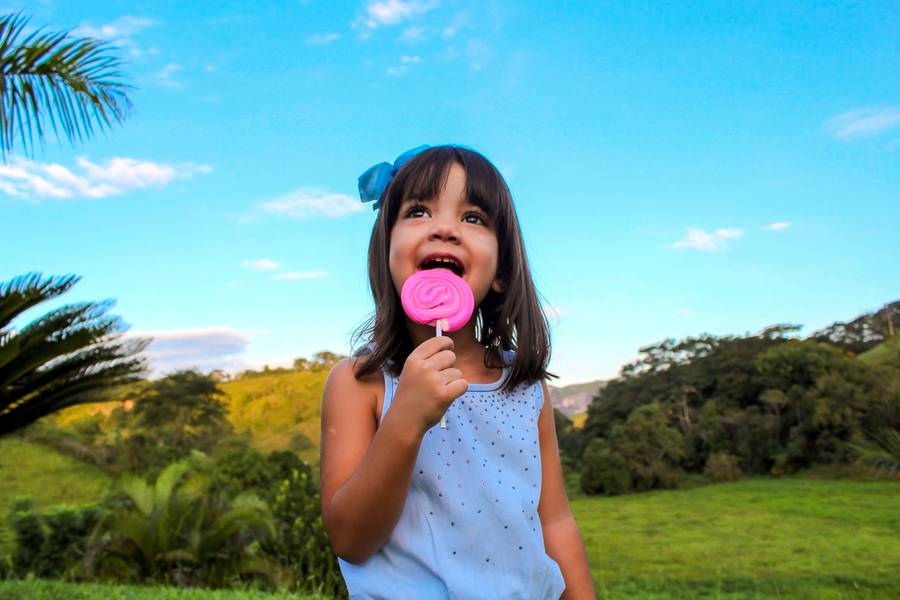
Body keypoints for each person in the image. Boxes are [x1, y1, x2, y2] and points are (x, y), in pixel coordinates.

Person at [320, 144, 596, 599]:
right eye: (419, 211)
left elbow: (556, 521)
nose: (445, 229)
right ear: (386, 249)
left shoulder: (525, 386)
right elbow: (350, 540)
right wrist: (406, 419)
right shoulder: (360, 381)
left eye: (473, 218)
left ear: (502, 270)